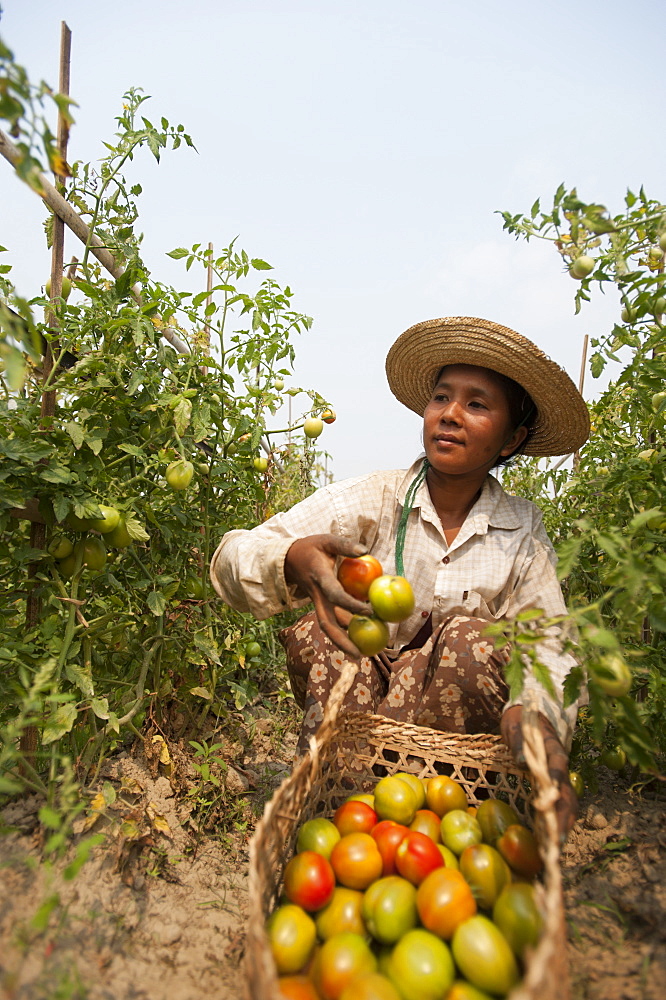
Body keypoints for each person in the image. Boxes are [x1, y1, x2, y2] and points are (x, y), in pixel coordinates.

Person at [210, 316, 590, 839]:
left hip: (459, 763)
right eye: (441, 398)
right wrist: (295, 559)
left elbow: (552, 643)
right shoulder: (373, 500)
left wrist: (536, 715)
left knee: (469, 640)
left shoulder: (521, 531)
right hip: (357, 715)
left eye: (477, 404)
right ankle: (335, 802)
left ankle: (446, 808)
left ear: (511, 439)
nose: (450, 414)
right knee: (329, 632)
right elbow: (235, 554)